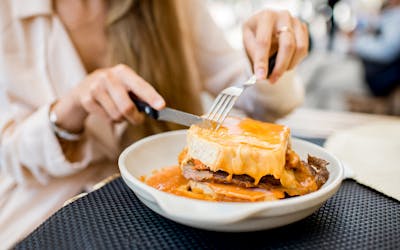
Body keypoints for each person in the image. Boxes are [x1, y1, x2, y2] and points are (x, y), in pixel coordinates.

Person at [0, 0, 308, 246]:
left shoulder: (176, 5)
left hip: (169, 215)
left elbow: (268, 103)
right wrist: (68, 110)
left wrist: (268, 58)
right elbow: (8, 155)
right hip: (41, 214)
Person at [347, 0, 400, 115]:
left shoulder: (397, 16)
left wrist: (356, 44)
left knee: (327, 79)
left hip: (380, 75)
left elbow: (387, 51)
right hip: (371, 69)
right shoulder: (388, 12)